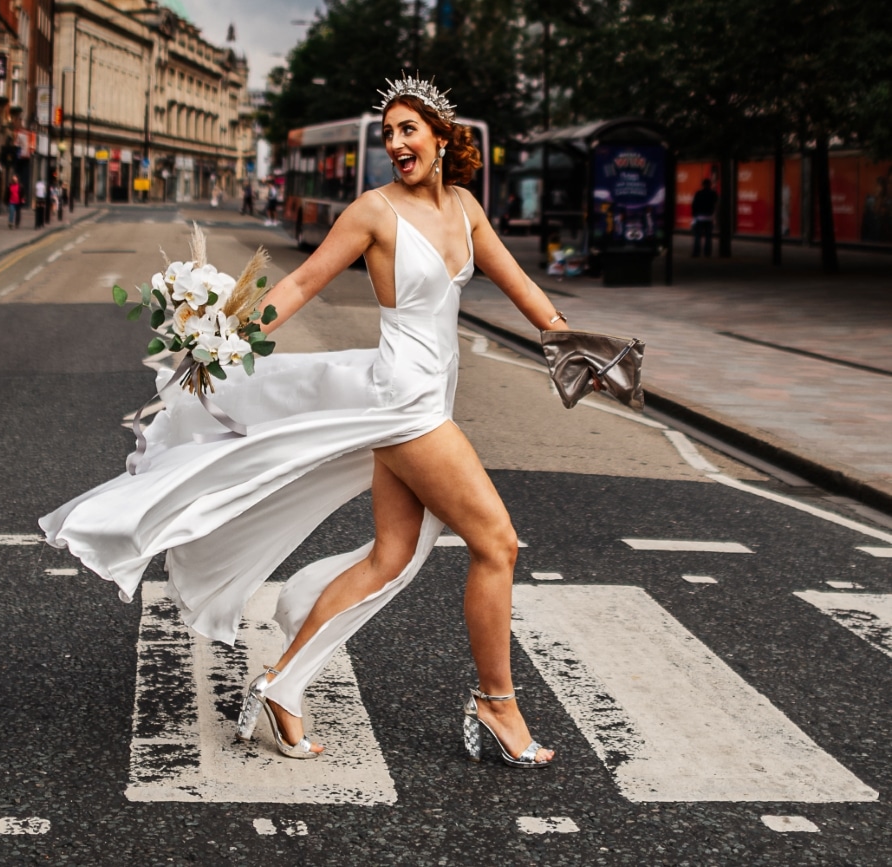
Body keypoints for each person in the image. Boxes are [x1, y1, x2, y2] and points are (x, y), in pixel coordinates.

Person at [40, 74, 561, 767]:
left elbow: (516, 282)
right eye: (389, 135)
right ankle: (497, 704)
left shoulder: (465, 208)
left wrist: (566, 333)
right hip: (403, 401)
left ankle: (283, 684)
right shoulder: (373, 212)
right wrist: (223, 338)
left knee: (392, 556)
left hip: (434, 395)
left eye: (410, 130)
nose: (398, 144)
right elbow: (301, 283)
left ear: (441, 136)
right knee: (497, 542)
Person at [691, 178, 717, 257]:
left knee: (697, 236)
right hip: (709, 217)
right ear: (710, 185)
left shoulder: (698, 193)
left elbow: (694, 205)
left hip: (699, 217)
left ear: (702, 185)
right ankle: (707, 253)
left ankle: (696, 253)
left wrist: (694, 215)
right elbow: (715, 205)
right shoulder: (713, 194)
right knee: (708, 237)